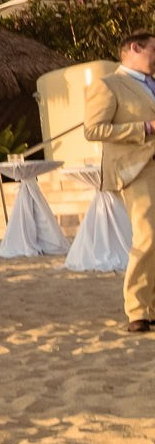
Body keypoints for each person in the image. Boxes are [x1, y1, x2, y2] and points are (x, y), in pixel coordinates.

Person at [83, 31, 155, 331]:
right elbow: (93, 130)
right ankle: (137, 309)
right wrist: (145, 128)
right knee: (148, 235)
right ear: (134, 48)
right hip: (135, 168)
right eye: (154, 49)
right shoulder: (108, 84)